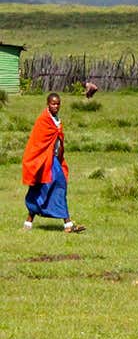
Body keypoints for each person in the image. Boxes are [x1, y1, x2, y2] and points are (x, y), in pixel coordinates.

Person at [22, 92, 82, 233]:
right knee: (42, 188)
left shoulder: (57, 120)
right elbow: (37, 142)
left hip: (53, 160)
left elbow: (58, 140)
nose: (56, 106)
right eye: (53, 103)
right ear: (48, 104)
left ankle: (66, 224)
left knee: (55, 187)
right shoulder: (43, 120)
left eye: (58, 103)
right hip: (43, 160)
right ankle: (65, 224)